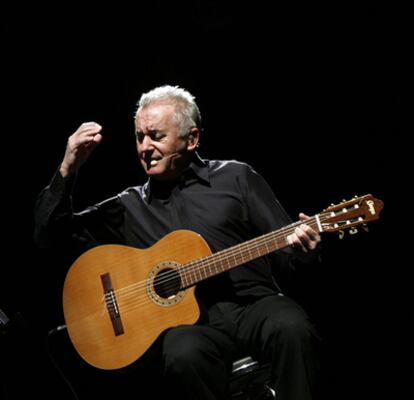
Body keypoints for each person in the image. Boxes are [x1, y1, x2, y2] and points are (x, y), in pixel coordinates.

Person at [34, 85, 322, 400]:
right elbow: (50, 234)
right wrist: (67, 169)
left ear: (192, 138)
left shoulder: (237, 177)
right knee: (181, 352)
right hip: (196, 327)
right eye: (139, 137)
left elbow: (288, 256)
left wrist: (303, 250)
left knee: (291, 325)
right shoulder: (127, 207)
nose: (145, 147)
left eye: (156, 136)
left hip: (254, 308)